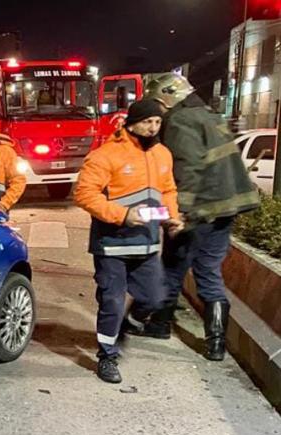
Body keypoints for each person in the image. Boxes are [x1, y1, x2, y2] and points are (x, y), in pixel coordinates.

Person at [130, 74, 261, 361]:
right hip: (225, 208)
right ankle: (216, 344)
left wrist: (181, 214)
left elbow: (188, 168)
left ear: (166, 97)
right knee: (209, 270)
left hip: (200, 209)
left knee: (173, 266)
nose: (157, 113)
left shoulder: (180, 120)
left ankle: (159, 323)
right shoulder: (210, 116)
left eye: (157, 103)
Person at [74, 99, 184, 383]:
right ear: (132, 123)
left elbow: (168, 189)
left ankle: (122, 324)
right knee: (112, 301)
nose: (153, 128)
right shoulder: (105, 155)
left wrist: (172, 217)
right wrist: (122, 215)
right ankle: (107, 357)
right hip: (112, 245)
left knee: (155, 297)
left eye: (157, 122)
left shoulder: (163, 154)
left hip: (147, 244)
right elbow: (85, 194)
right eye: (147, 121)